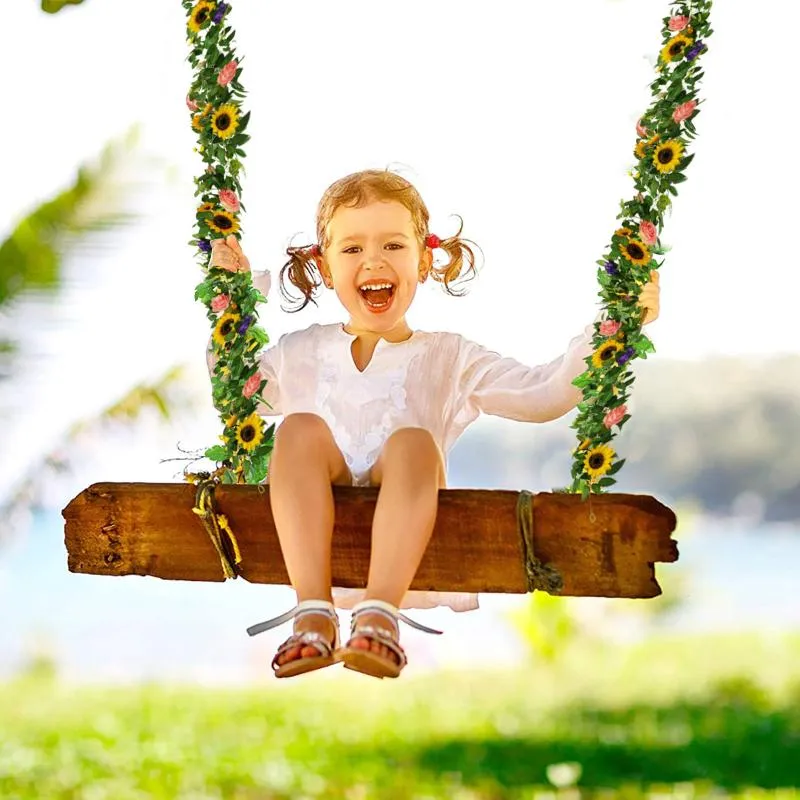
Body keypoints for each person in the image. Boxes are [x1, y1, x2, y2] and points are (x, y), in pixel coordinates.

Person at [206, 169, 660, 680]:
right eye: (352, 249)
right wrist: (232, 295)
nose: (373, 260)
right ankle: (314, 614)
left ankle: (379, 615)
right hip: (315, 515)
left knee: (414, 444)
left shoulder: (449, 357)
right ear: (325, 268)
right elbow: (234, 393)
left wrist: (619, 326)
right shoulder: (299, 352)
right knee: (299, 429)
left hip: (407, 520)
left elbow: (544, 393)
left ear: (424, 261)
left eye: (393, 245)